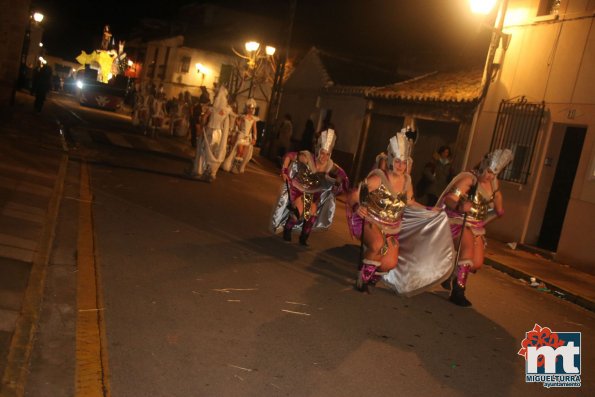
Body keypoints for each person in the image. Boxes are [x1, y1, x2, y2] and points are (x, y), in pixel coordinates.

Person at [346, 129, 455, 294]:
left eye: (404, 162)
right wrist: (357, 207)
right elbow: (354, 195)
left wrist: (430, 210)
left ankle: (372, 273)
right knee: (377, 244)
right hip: (369, 219)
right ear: (390, 160)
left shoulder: (407, 181)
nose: (401, 166)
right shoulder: (378, 178)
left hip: (391, 226)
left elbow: (409, 202)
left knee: (389, 263)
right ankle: (363, 279)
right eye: (397, 161)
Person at [438, 149, 513, 307]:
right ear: (484, 166)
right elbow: (449, 198)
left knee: (477, 263)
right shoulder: (468, 179)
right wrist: (459, 206)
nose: (491, 176)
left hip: (477, 226)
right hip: (459, 221)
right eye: (489, 172)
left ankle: (451, 273)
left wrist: (497, 194)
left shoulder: (493, 184)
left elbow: (498, 208)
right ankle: (458, 292)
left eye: (495, 173)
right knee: (467, 250)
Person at [270, 129, 349, 246]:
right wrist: (284, 171)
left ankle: (304, 237)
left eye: (327, 154)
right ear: (318, 151)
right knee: (299, 212)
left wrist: (337, 185)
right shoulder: (307, 157)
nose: (324, 157)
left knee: (312, 214)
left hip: (314, 191)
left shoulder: (330, 165)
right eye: (322, 153)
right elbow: (289, 156)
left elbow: (342, 175)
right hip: (298, 188)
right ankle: (288, 229)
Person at [187, 86, 231, 182]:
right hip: (219, 133)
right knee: (214, 152)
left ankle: (202, 170)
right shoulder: (226, 111)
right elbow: (226, 125)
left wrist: (201, 126)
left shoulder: (212, 109)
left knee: (205, 149)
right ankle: (211, 172)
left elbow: (204, 118)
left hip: (210, 131)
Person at [222, 98, 258, 174]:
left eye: (252, 108)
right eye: (249, 108)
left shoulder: (254, 119)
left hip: (247, 138)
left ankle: (236, 167)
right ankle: (234, 167)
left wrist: (254, 139)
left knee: (242, 153)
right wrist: (237, 125)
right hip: (241, 136)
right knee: (239, 151)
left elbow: (254, 130)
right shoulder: (242, 117)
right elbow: (239, 126)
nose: (250, 110)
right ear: (247, 108)